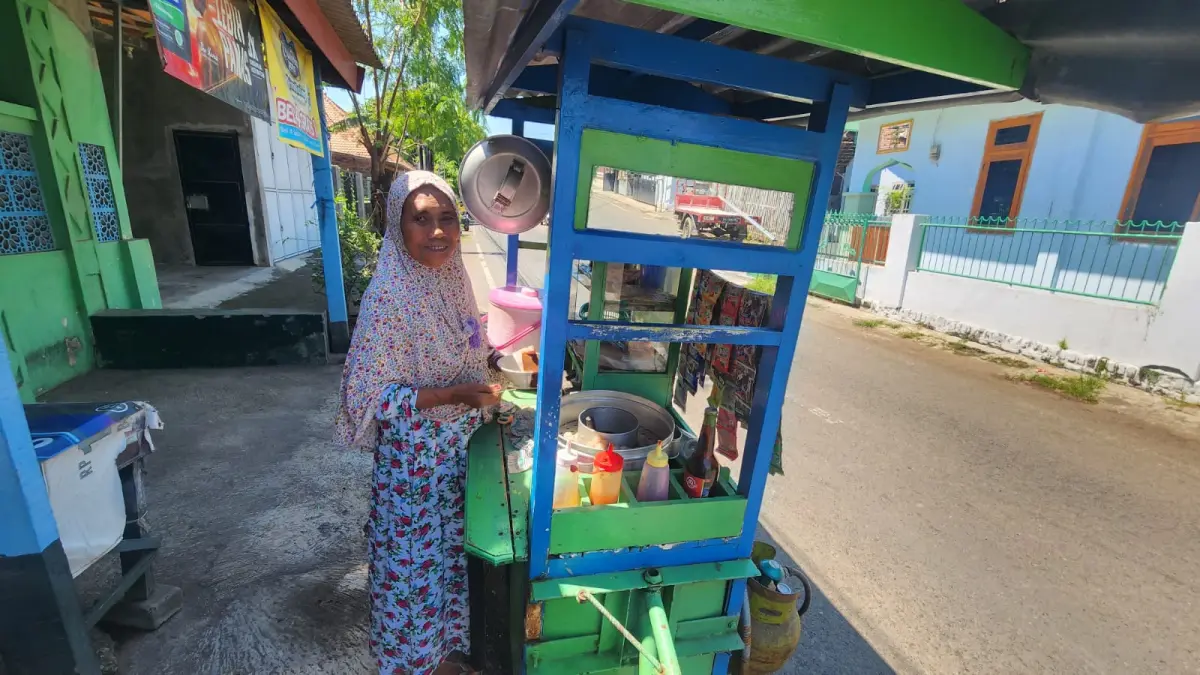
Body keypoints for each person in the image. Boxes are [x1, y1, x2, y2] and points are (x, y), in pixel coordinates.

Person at [335, 170, 500, 675]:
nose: (437, 231)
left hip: (455, 457)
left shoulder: (452, 281)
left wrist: (492, 364)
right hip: (413, 473)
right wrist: (452, 395)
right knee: (413, 579)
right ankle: (411, 664)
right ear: (396, 226)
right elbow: (369, 397)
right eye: (420, 219)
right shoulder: (390, 295)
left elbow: (467, 347)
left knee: (451, 569)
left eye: (447, 217)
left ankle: (443, 657)